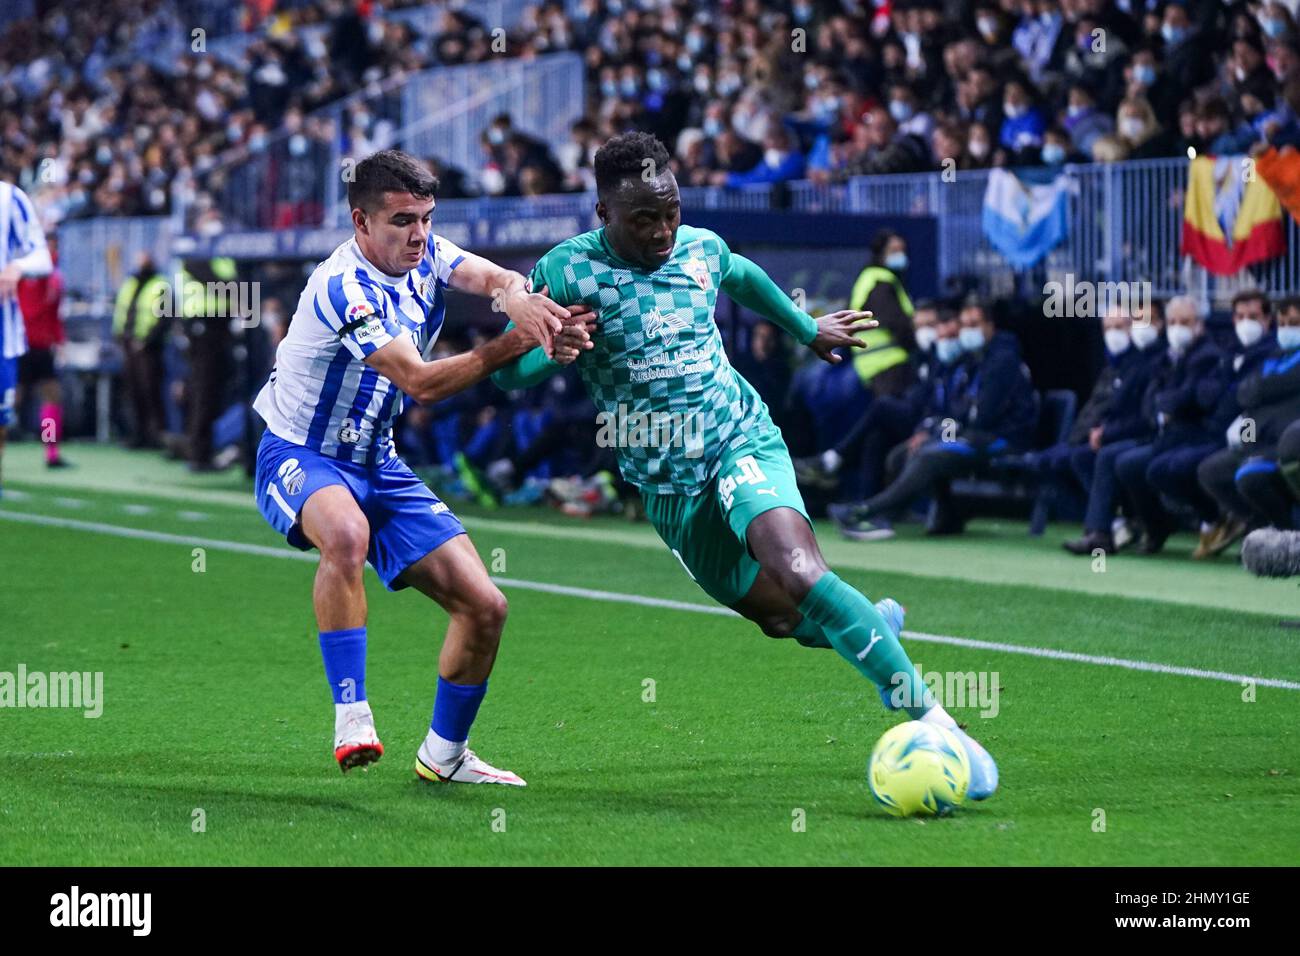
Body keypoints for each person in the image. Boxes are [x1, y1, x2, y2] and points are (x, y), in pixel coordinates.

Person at [491, 132, 999, 800]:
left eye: (670, 211)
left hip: (738, 438)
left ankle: (937, 719)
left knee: (799, 570)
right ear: (602, 214)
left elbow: (745, 276)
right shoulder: (564, 272)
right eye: (644, 218)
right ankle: (865, 626)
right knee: (782, 617)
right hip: (669, 486)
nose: (664, 229)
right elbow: (509, 376)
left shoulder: (701, 248)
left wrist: (805, 327)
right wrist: (550, 350)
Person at [252, 149, 583, 784]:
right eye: (403, 220)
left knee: (486, 606)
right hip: (300, 452)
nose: (420, 234)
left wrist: (519, 299)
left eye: (427, 218)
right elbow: (422, 383)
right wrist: (521, 338)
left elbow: (494, 280)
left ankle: (445, 756)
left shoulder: (425, 253)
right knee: (347, 536)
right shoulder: (342, 286)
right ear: (361, 222)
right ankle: (351, 715)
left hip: (378, 459)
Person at [831, 299, 1038, 540]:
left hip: (1003, 439)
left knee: (927, 455)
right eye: (965, 324)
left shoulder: (1003, 360)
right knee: (902, 453)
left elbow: (981, 416)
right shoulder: (972, 358)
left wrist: (938, 431)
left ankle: (864, 512)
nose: (968, 330)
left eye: (975, 324)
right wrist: (932, 429)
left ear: (990, 325)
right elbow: (955, 410)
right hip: (972, 435)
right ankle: (937, 515)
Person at [1113, 295, 1225, 555]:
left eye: (1184, 321)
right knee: (1125, 463)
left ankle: (1210, 516)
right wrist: (1164, 407)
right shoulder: (1169, 356)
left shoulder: (1206, 355)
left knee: (1153, 467)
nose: (1178, 328)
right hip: (1168, 435)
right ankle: (1154, 525)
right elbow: (1151, 401)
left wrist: (1167, 403)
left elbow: (1190, 398)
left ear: (1199, 324)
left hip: (1194, 435)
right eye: (1173, 321)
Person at [1196, 295, 1300, 548]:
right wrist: (1248, 440)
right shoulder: (1274, 355)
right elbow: (1245, 395)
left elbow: (1278, 386)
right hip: (1257, 439)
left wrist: (1262, 388)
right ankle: (1257, 525)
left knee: (1250, 474)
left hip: (1287, 443)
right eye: (1283, 322)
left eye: (1295, 323)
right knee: (1210, 470)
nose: (1287, 329)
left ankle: (1291, 535)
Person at [1060, 304, 1163, 555]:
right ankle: (1118, 521)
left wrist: (1108, 434)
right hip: (1127, 434)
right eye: (1108, 328)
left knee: (1107, 456)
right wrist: (1092, 433)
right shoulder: (1117, 366)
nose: (1114, 333)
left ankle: (1099, 533)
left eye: (1121, 326)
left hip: (1151, 436)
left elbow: (1145, 417)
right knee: (1082, 455)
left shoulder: (1152, 362)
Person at [0, 180, 53, 496]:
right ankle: (51, 450)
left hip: (28, 338)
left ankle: (51, 449)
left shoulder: (9, 199)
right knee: (49, 395)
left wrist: (17, 268)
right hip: (38, 339)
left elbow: (40, 258)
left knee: (47, 396)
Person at [16, 232, 69, 467]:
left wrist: (59, 341)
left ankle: (51, 452)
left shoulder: (54, 280)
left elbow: (54, 316)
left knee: (50, 397)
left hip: (40, 346)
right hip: (23, 344)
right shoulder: (24, 277)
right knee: (13, 399)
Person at [112, 253, 170, 449]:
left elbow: (164, 319)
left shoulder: (161, 285)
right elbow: (122, 311)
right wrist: (121, 337)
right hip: (129, 345)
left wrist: (148, 341)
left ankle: (157, 436)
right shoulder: (131, 283)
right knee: (133, 392)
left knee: (151, 391)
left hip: (149, 349)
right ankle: (138, 434)